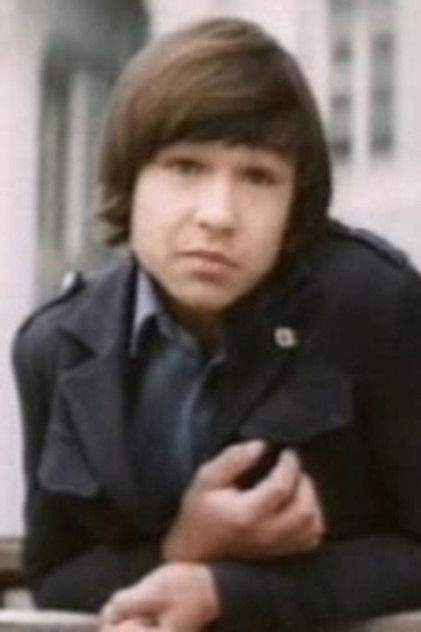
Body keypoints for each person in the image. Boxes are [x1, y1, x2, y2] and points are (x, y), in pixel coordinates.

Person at [12, 16, 421, 632]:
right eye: (185, 167)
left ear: (294, 202)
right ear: (130, 179)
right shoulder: (57, 345)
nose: (219, 215)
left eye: (258, 177)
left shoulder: (371, 303)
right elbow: (56, 577)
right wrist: (182, 545)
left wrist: (225, 590)